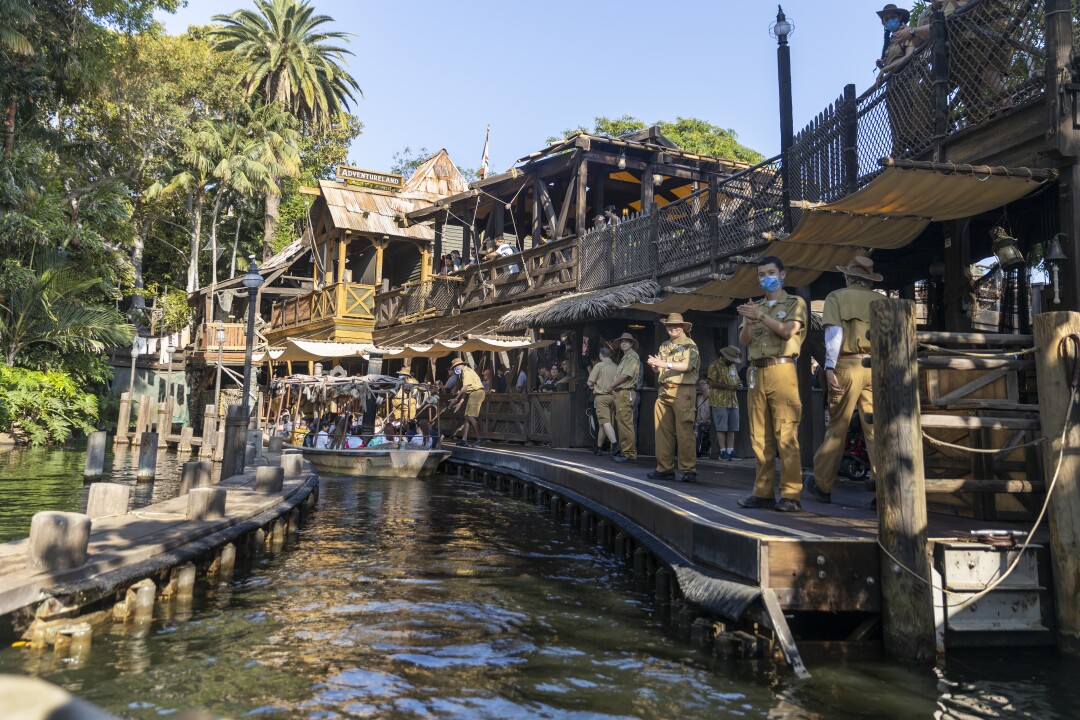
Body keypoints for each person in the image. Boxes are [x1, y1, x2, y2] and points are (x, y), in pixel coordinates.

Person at [805, 256, 882, 506]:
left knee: (838, 426)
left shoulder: (837, 297)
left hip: (847, 364)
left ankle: (822, 483)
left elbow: (834, 335)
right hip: (878, 367)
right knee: (875, 429)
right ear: (868, 278)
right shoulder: (882, 300)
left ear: (848, 276)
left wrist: (828, 367)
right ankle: (885, 489)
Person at [736, 256, 808, 512]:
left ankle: (791, 494)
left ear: (782, 274)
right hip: (756, 371)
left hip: (782, 369)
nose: (765, 278)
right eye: (761, 274)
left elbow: (788, 331)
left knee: (786, 433)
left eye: (770, 272)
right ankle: (762, 491)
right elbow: (745, 341)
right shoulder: (754, 306)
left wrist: (761, 317)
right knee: (759, 436)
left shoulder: (795, 302)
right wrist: (749, 320)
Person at [646, 314, 701, 482]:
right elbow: (660, 370)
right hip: (664, 391)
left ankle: (688, 469)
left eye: (676, 325)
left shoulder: (690, 345)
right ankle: (664, 468)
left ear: (683, 327)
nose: (673, 328)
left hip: (682, 392)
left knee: (685, 431)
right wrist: (655, 366)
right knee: (662, 432)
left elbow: (687, 366)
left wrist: (665, 364)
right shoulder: (664, 346)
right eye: (670, 325)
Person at [707, 345, 743, 460]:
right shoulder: (714, 365)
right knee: (721, 427)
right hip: (719, 400)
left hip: (733, 401)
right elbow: (711, 383)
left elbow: (736, 380)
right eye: (731, 358)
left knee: (732, 427)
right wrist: (728, 386)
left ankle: (730, 450)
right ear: (725, 356)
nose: (733, 361)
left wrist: (738, 385)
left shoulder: (732, 367)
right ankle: (722, 452)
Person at [611, 333, 641, 463]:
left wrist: (610, 386)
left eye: (627, 341)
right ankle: (625, 451)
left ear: (631, 344)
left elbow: (624, 376)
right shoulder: (625, 357)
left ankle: (629, 453)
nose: (623, 343)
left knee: (626, 424)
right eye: (622, 341)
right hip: (621, 392)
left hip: (626, 392)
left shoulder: (632, 357)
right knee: (623, 424)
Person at [587, 346, 620, 455]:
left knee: (605, 422)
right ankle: (599, 447)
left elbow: (590, 383)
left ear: (601, 355)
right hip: (614, 396)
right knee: (603, 423)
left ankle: (615, 445)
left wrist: (595, 386)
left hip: (602, 397)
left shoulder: (598, 366)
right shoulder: (616, 366)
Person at [449, 358, 486, 446]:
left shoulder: (467, 372)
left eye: (455, 367)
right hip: (473, 394)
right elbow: (466, 391)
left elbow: (464, 388)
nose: (455, 369)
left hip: (477, 393)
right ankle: (464, 440)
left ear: (459, 365)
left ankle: (479, 438)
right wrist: (459, 403)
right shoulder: (464, 373)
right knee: (466, 417)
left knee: (471, 417)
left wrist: (455, 399)